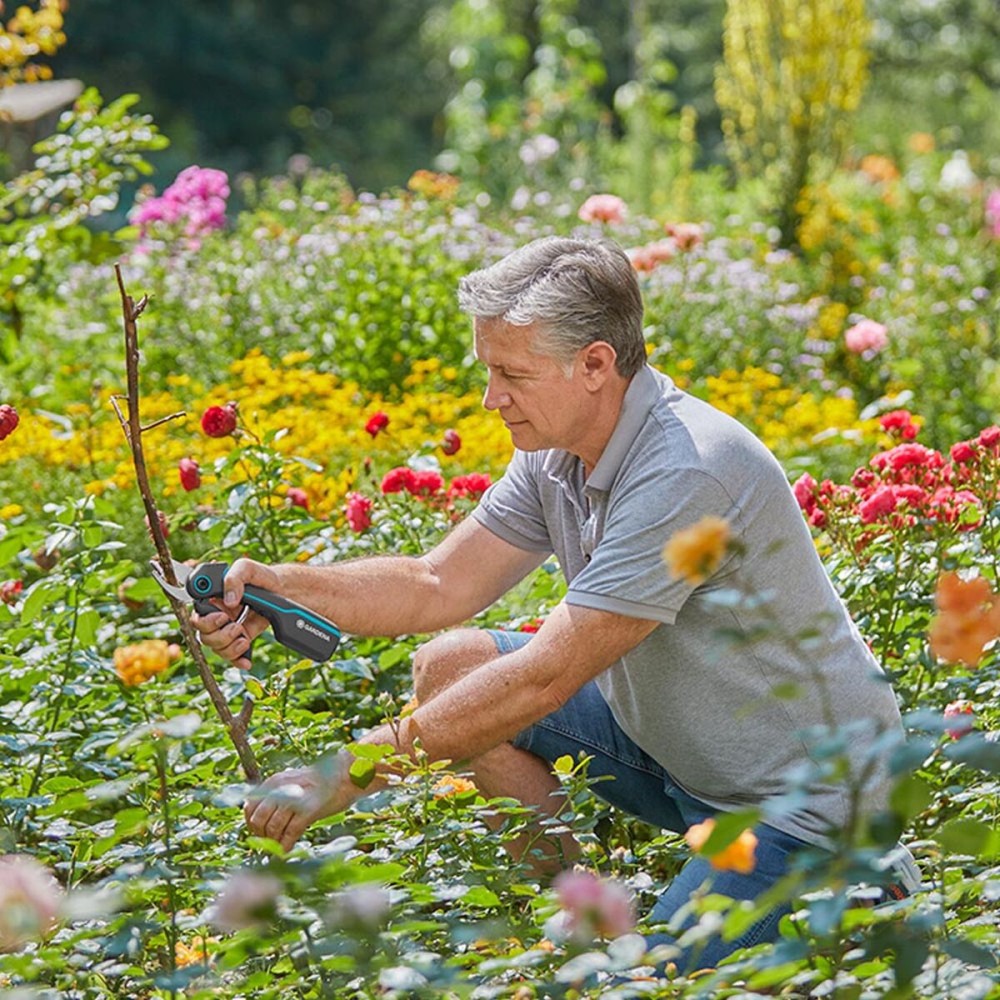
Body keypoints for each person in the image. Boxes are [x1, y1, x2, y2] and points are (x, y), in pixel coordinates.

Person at [193, 236, 918, 969]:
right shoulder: (558, 450)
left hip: (809, 804)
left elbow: (546, 677)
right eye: (489, 370)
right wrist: (281, 584)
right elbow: (439, 582)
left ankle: (861, 893)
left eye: (512, 373)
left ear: (596, 365)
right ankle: (586, 932)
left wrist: (338, 775)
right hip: (682, 761)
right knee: (450, 668)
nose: (489, 397)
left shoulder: (687, 472)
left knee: (655, 987)